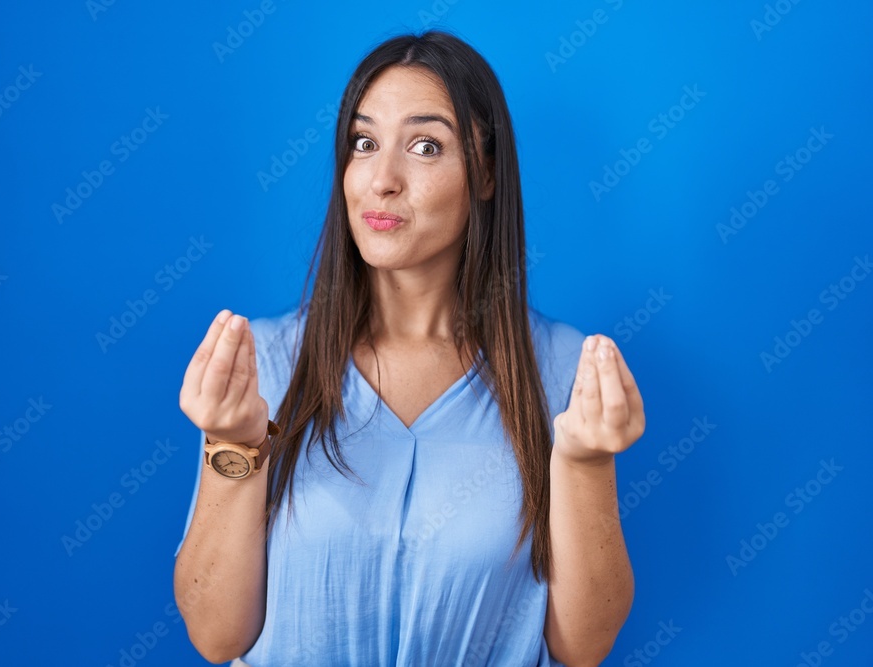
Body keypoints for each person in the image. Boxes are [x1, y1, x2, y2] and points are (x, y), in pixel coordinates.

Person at [173, 29, 644, 667]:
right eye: (364, 144)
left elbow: (583, 646)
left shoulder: (566, 373)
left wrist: (586, 464)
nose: (382, 180)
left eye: (425, 146)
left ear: (484, 173)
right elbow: (214, 634)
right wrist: (233, 446)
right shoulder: (262, 361)